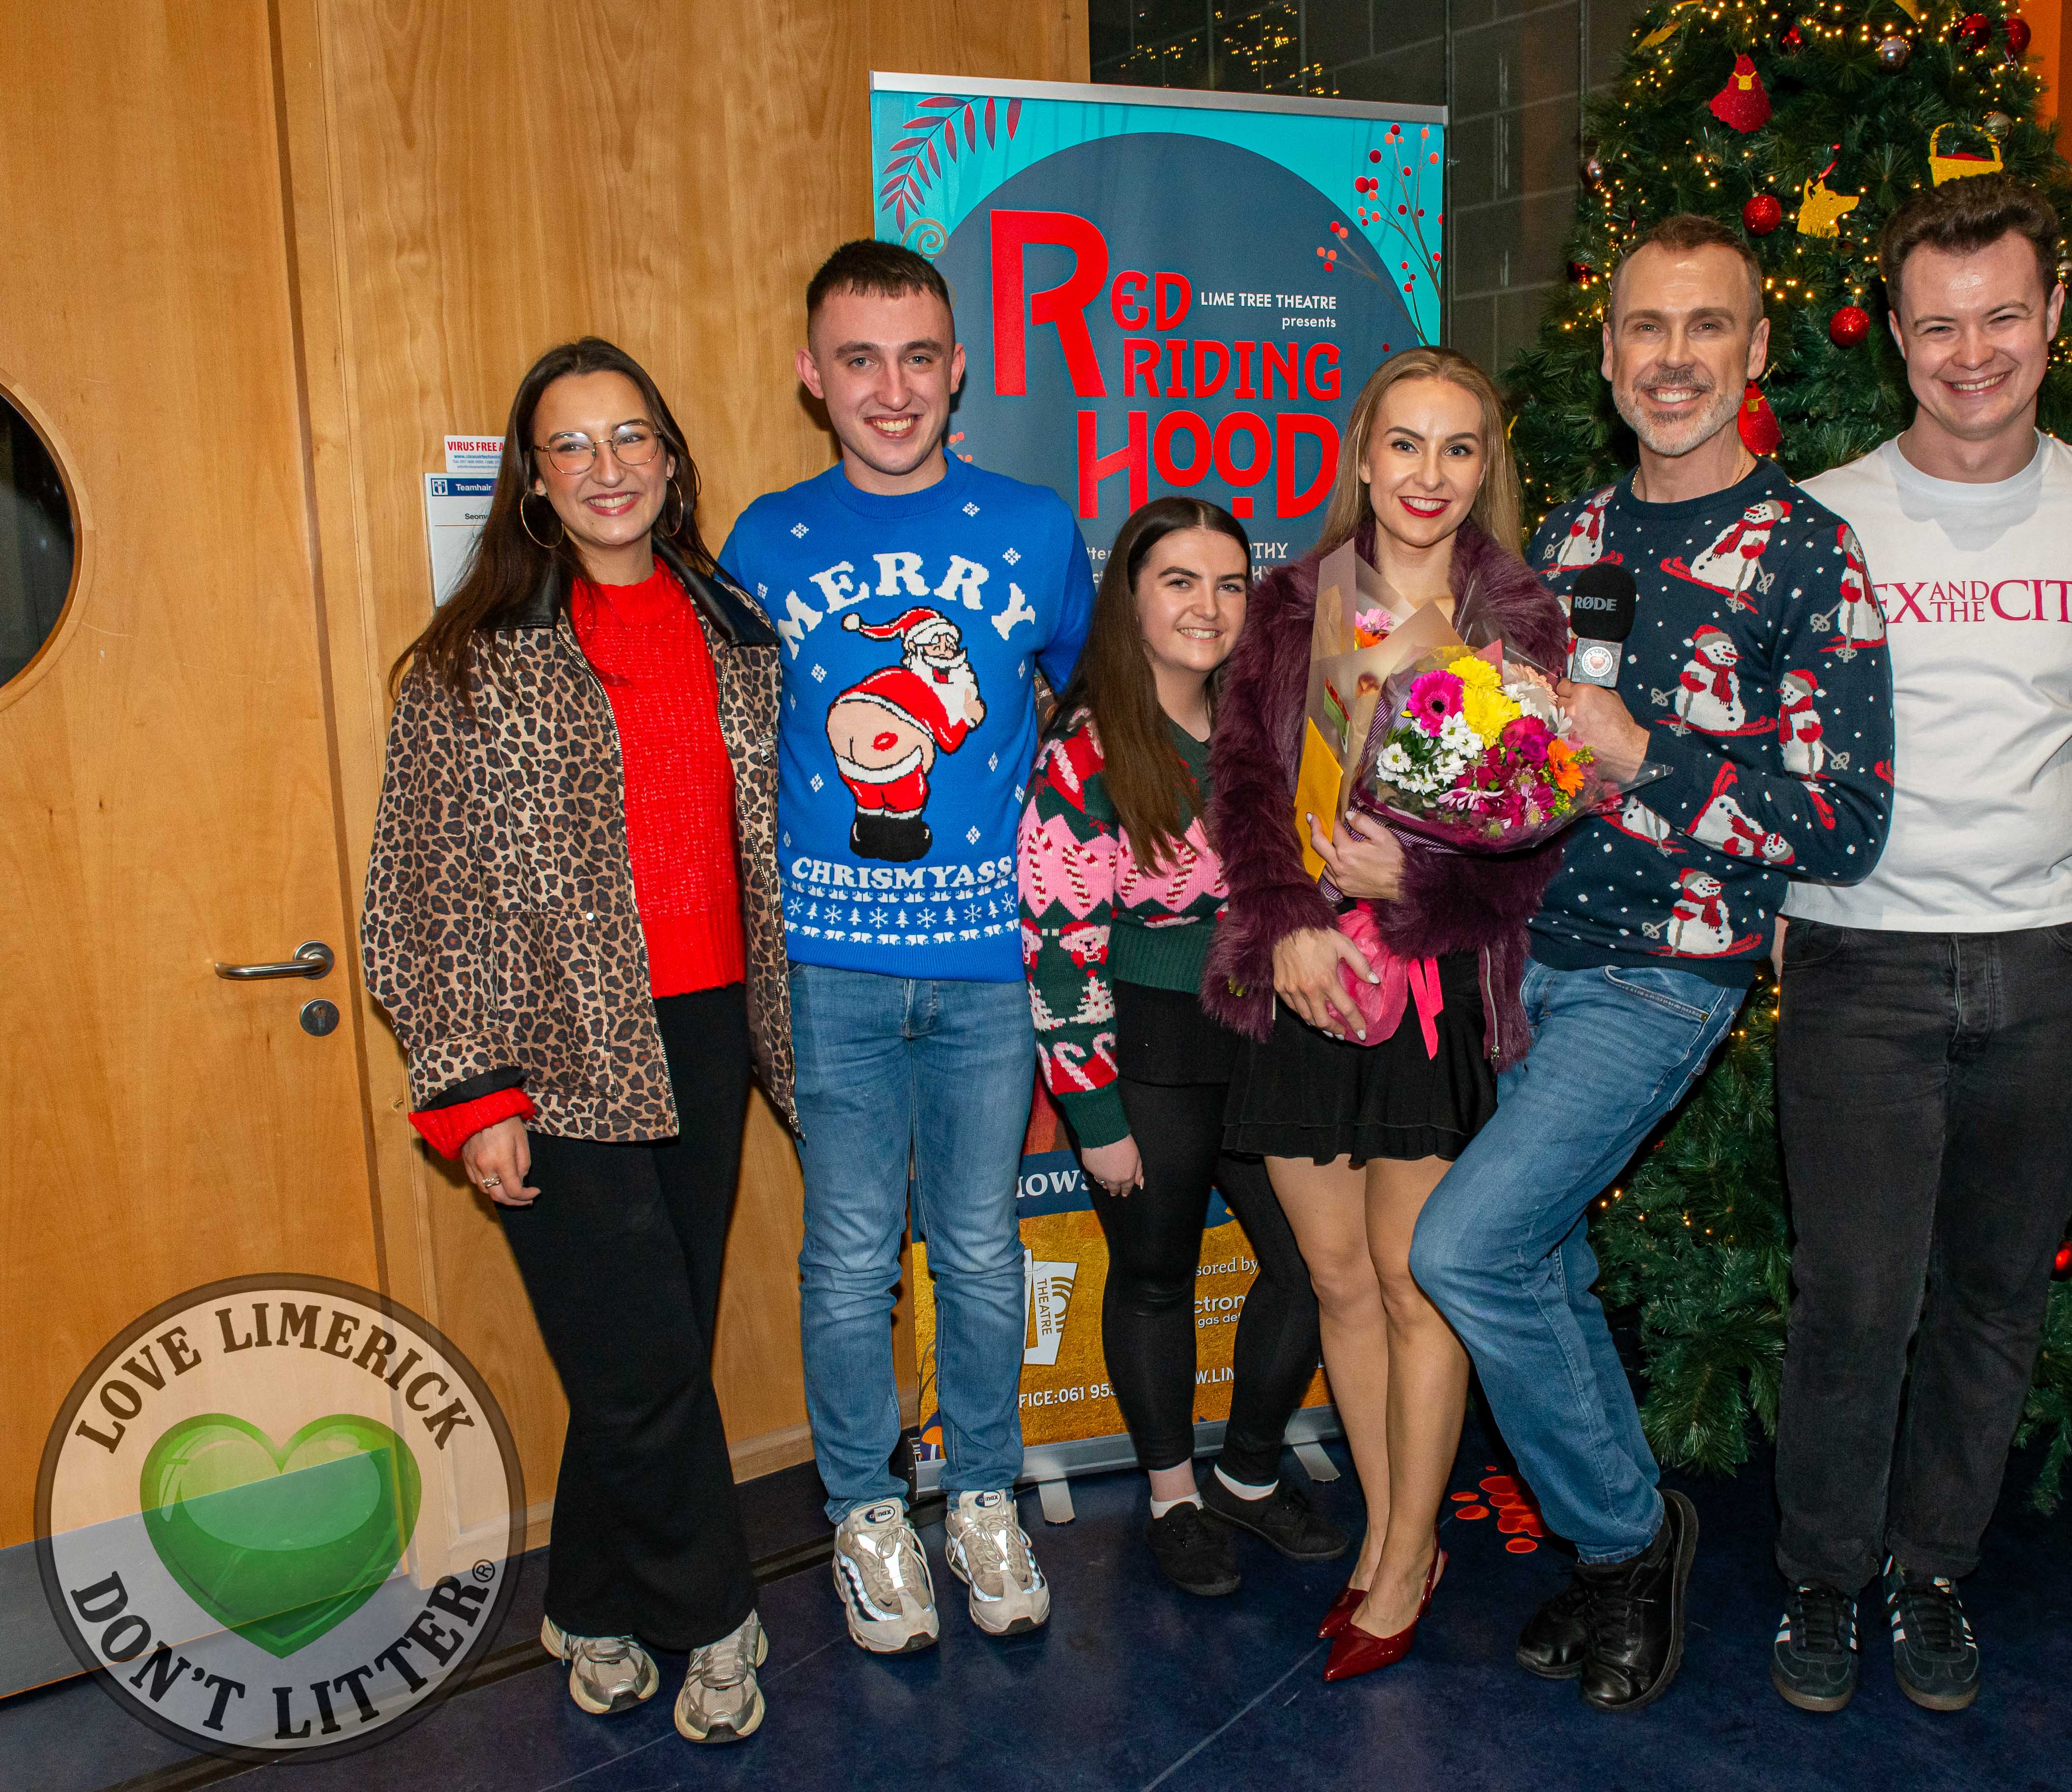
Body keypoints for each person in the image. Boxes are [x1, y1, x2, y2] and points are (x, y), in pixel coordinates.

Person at [1408, 214, 1895, 1714]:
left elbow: (1843, 820)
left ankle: (1625, 1539)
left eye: (1706, 325)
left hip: (1662, 970)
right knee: (1540, 1258)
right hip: (1521, 956)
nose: (1671, 357)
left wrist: (1647, 755)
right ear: (1608, 352)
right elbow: (1513, 757)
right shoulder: (1566, 538)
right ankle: (1615, 1538)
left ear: (1755, 351)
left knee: (1464, 1248)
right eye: (1644, 326)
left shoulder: (1807, 550)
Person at [1764, 175, 2072, 1718]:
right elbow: (1761, 730)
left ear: (2054, 315)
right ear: (1892, 333)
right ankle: (1820, 1572)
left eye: (2002, 315)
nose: (1973, 352)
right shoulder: (1822, 516)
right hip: (1860, 961)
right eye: (1938, 325)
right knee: (1853, 1301)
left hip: (2054, 968)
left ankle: (1931, 1566)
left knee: (1995, 1297)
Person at [362, 338, 789, 1745]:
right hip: (553, 1054)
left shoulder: (740, 633)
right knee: (646, 1366)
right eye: (572, 445)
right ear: (533, 482)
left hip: (710, 1031)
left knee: (640, 1356)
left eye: (630, 437)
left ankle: (590, 1600)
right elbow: (418, 899)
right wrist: (470, 1090)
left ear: (669, 459)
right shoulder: (468, 663)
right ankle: (715, 1618)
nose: (607, 467)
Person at [719, 241, 1094, 1651]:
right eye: (859, 359)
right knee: (848, 1255)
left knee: (983, 1247)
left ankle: (983, 1497)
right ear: (812, 377)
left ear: (957, 370)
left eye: (918, 357)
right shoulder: (763, 539)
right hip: (829, 966)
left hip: (991, 966)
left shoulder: (1036, 527)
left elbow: (1085, 704)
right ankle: (866, 1516)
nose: (892, 388)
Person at [1203, 346, 1568, 1683]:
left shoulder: (1518, 621)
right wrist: (1288, 922)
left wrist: (1410, 887)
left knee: (1417, 1284)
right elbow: (1242, 787)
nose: (1428, 473)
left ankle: (1411, 1552)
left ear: (1485, 468)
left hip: (1429, 991)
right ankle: (1381, 1524)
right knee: (1339, 1280)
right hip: (1301, 981)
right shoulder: (1291, 600)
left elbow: (1532, 846)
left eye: (1457, 447)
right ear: (1362, 458)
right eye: (1403, 444)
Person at [1019, 496, 1346, 1596]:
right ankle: (1173, 1496)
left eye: (1228, 583)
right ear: (1130, 598)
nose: (1208, 605)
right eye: (1178, 581)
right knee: (1156, 1278)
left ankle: (1247, 1473)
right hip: (1149, 1047)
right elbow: (1058, 946)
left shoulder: (1268, 731)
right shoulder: (1088, 749)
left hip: (1269, 1038)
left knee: (1313, 1266)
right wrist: (1095, 1115)